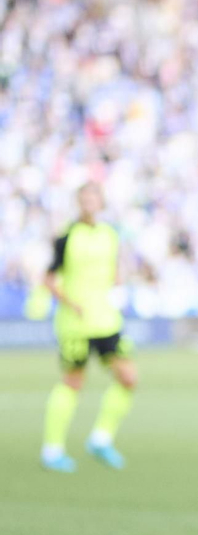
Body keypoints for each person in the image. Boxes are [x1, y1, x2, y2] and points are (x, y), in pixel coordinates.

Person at [40, 182, 137, 472]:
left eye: (94, 198)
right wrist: (69, 302)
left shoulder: (110, 234)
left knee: (128, 377)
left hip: (106, 319)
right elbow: (48, 278)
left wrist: (118, 279)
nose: (89, 203)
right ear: (79, 202)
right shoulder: (67, 236)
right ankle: (52, 449)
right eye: (84, 199)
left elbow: (115, 269)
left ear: (101, 202)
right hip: (76, 323)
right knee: (73, 382)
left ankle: (101, 439)